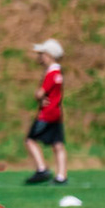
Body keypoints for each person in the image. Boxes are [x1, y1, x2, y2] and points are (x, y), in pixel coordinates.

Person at [24, 38, 67, 186]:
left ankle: (42, 168)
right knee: (58, 144)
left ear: (49, 55)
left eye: (42, 54)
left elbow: (40, 93)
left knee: (30, 140)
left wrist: (38, 96)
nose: (40, 57)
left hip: (46, 113)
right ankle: (62, 175)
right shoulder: (59, 72)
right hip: (56, 112)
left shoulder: (51, 73)